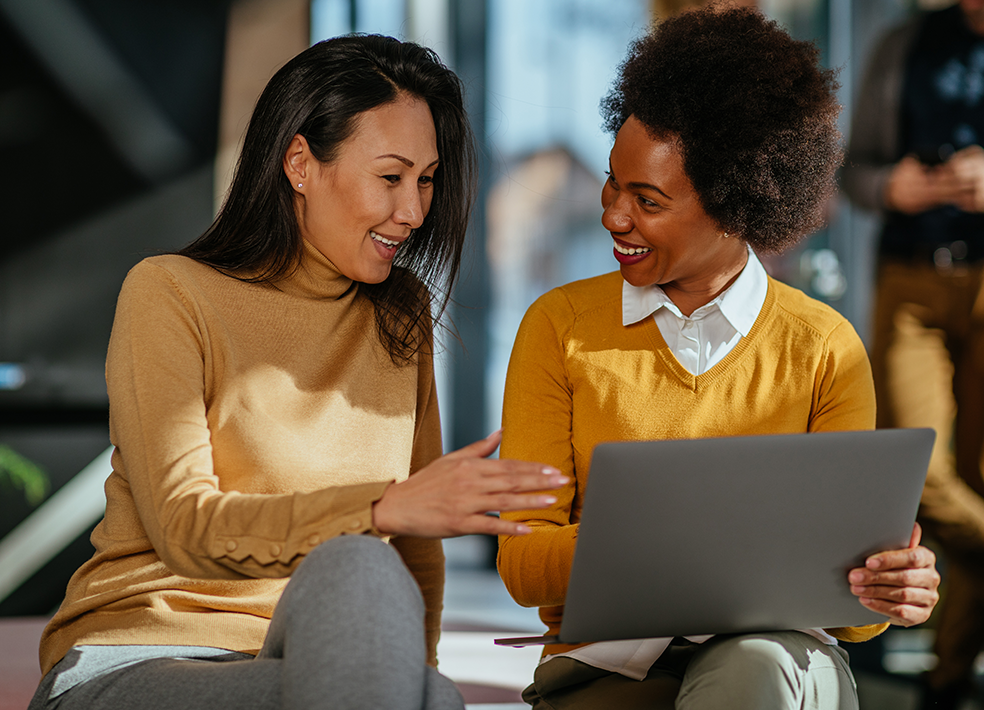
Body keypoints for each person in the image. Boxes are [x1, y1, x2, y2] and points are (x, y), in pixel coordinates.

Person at [27, 35, 566, 710]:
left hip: (328, 660)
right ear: (300, 164)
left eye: (426, 180)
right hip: (143, 656)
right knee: (365, 566)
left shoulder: (401, 311)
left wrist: (408, 680)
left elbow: (417, 557)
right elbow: (184, 526)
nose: (415, 212)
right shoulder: (171, 292)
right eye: (391, 177)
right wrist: (378, 511)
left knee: (422, 685)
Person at [497, 7, 941, 710]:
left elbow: (851, 618)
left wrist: (889, 587)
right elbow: (523, 564)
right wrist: (695, 539)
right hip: (610, 665)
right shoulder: (560, 327)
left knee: (751, 670)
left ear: (736, 205)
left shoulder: (823, 346)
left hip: (782, 660)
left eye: (648, 200)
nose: (614, 215)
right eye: (615, 183)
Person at [842, 2, 984, 706]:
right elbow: (852, 172)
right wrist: (896, 188)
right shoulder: (906, 43)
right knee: (921, 467)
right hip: (910, 277)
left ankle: (947, 677)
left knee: (983, 474)